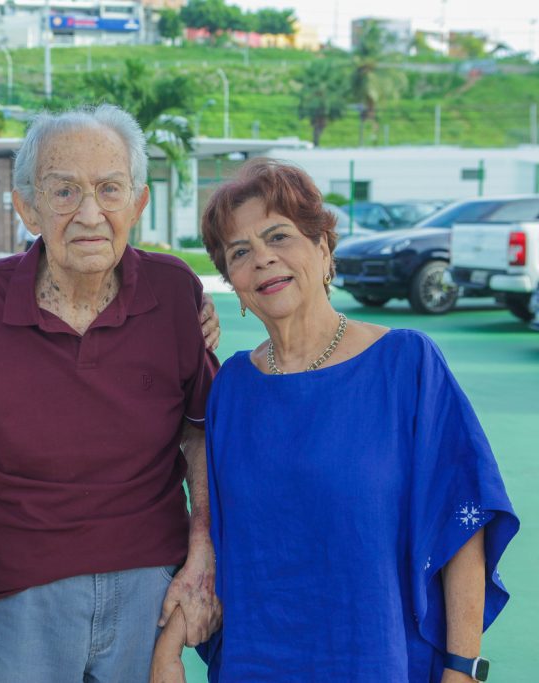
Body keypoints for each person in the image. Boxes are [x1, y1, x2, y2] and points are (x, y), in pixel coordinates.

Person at [0, 104, 222, 682]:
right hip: (18, 590)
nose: (90, 214)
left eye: (110, 189)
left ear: (137, 204)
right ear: (28, 206)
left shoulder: (175, 292)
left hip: (149, 584)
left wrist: (203, 556)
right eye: (64, 191)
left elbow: (199, 437)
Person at [151, 158, 519, 683]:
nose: (262, 260)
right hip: (256, 663)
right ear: (231, 280)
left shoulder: (407, 364)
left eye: (279, 236)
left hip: (377, 658)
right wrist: (168, 647)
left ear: (323, 247)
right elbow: (217, 540)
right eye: (240, 252)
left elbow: (462, 526)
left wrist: (462, 669)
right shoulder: (231, 386)